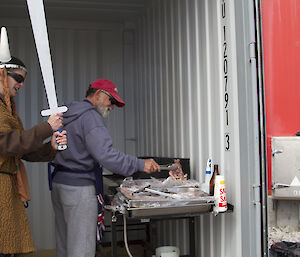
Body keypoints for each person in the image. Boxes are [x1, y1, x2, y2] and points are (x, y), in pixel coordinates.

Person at [50, 78, 163, 257]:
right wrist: (140, 164)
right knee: (81, 249)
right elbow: (106, 155)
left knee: (65, 245)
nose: (112, 107)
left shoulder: (66, 113)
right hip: (79, 188)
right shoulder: (90, 117)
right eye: (111, 100)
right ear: (98, 95)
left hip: (60, 184)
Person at [0, 27, 67, 257]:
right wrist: (46, 127)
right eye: (17, 78)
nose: (20, 84)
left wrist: (50, 146)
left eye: (23, 80)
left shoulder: (9, 111)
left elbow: (21, 149)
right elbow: (7, 144)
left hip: (8, 191)